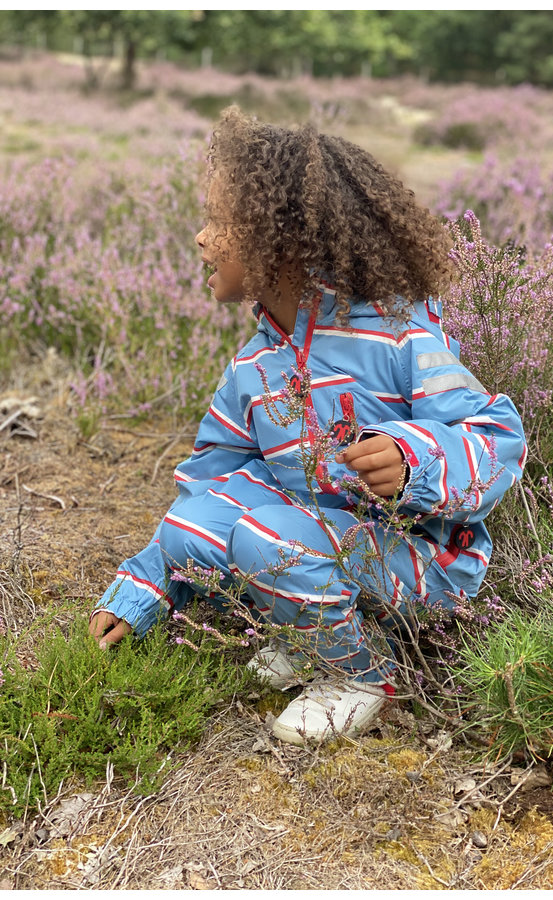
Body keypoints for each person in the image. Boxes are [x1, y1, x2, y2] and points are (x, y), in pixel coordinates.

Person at [90, 107, 527, 746]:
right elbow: (207, 483)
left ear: (280, 240)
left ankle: (363, 674)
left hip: (426, 559)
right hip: (321, 546)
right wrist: (144, 586)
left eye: (218, 222)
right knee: (193, 524)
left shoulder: (398, 336)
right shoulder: (255, 367)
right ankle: (320, 627)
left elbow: (495, 437)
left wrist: (413, 459)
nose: (201, 239)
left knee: (268, 538)